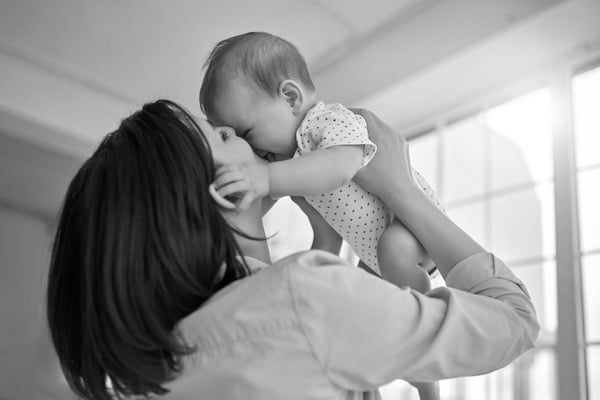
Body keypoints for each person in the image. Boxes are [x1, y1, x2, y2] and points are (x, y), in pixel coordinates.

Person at [46, 99, 539, 400]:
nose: (240, 134)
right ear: (221, 191)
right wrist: (401, 190)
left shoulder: (163, 366)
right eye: (221, 136)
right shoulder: (303, 297)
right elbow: (513, 321)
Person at [200, 32, 444, 299]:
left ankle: (428, 310)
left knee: (393, 252)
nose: (249, 147)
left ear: (291, 98)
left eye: (246, 133)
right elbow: (256, 206)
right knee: (362, 292)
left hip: (408, 225)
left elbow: (342, 165)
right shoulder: (285, 160)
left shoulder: (325, 121)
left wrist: (266, 178)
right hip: (373, 252)